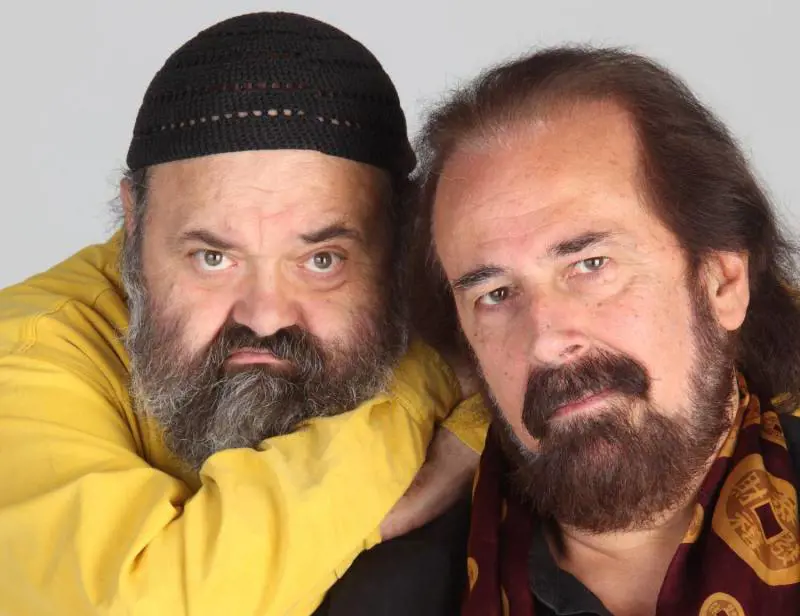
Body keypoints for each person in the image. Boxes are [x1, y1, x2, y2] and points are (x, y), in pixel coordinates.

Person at [0, 12, 486, 616]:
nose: (264, 317)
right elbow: (138, 604)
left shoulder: (483, 294)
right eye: (213, 258)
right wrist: (426, 390)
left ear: (403, 234)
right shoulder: (20, 353)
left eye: (321, 260)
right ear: (135, 220)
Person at [411, 46, 800, 615]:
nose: (546, 340)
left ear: (722, 281)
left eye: (590, 265)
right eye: (494, 294)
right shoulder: (387, 594)